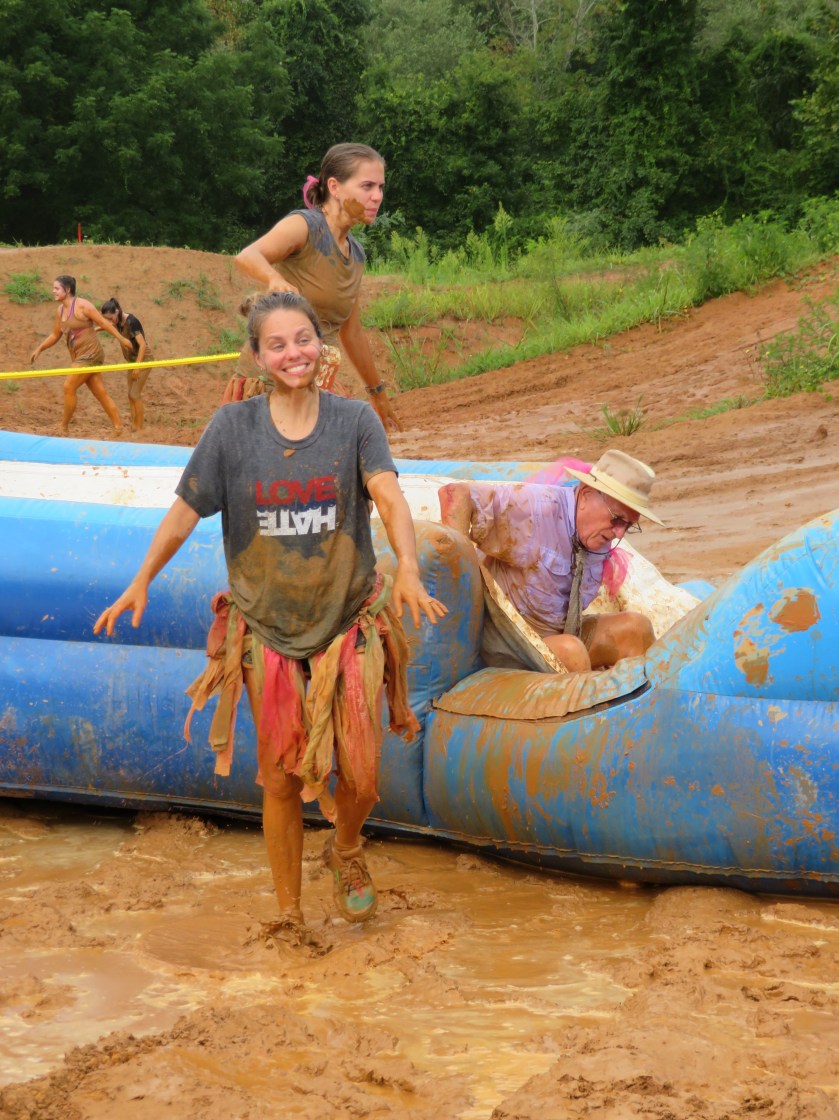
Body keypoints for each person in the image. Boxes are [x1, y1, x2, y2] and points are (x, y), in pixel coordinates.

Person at [94, 292, 446, 946]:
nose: (293, 354)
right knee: (280, 777)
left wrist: (408, 566)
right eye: (277, 344)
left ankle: (345, 846)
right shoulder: (231, 430)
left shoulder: (354, 422)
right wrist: (141, 579)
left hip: (347, 620)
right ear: (257, 356)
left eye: (303, 339)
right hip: (267, 629)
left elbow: (389, 495)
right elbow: (183, 513)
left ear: (320, 345)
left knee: (362, 773)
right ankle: (289, 915)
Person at [438, 449, 663, 673]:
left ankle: (641, 695)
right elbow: (455, 494)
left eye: (628, 526)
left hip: (560, 636)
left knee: (637, 629)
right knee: (571, 651)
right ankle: (587, 693)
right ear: (586, 495)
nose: (620, 533)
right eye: (617, 519)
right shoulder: (536, 509)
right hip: (509, 644)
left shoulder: (599, 539)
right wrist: (460, 584)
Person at [232, 142, 402, 432]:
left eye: (380, 187)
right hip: (271, 386)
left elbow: (352, 332)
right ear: (334, 187)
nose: (377, 196)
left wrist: (377, 392)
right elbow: (247, 256)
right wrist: (273, 279)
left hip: (316, 385)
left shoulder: (356, 255)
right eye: (367, 186)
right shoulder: (305, 226)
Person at [30, 275, 126, 436]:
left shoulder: (83, 306)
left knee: (69, 386)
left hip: (91, 355)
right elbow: (55, 335)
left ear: (67, 290)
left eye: (57, 288)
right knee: (100, 392)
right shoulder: (60, 310)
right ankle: (119, 427)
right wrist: (40, 348)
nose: (53, 291)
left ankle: (63, 427)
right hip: (79, 357)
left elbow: (103, 323)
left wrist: (122, 339)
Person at [100, 298, 153, 431]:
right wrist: (94, 329)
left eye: (110, 318)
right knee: (130, 395)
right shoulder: (118, 321)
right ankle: (134, 426)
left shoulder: (132, 322)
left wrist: (138, 367)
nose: (110, 321)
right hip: (132, 361)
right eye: (107, 319)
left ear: (117, 312)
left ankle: (139, 429)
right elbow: (107, 326)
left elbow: (142, 345)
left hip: (143, 360)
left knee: (135, 394)